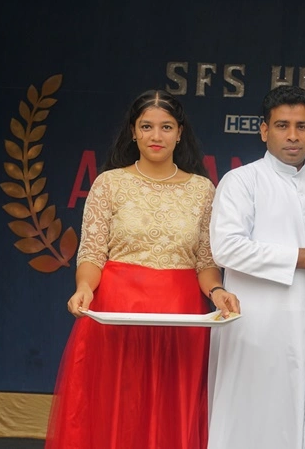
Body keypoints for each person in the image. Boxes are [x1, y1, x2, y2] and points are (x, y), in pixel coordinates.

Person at [45, 90, 238, 449]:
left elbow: (205, 262)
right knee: (115, 409)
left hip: (181, 317)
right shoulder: (109, 184)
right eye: (146, 126)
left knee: (172, 411)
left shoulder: (202, 190)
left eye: (166, 127)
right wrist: (84, 288)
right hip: (115, 314)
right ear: (133, 132)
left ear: (180, 133)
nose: (156, 136)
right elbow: (92, 252)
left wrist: (217, 292)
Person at [207, 85, 305, 449]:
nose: (293, 136)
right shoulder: (241, 181)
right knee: (254, 422)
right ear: (263, 130)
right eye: (282, 125)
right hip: (257, 329)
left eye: (302, 126)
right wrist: (301, 257)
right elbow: (226, 248)